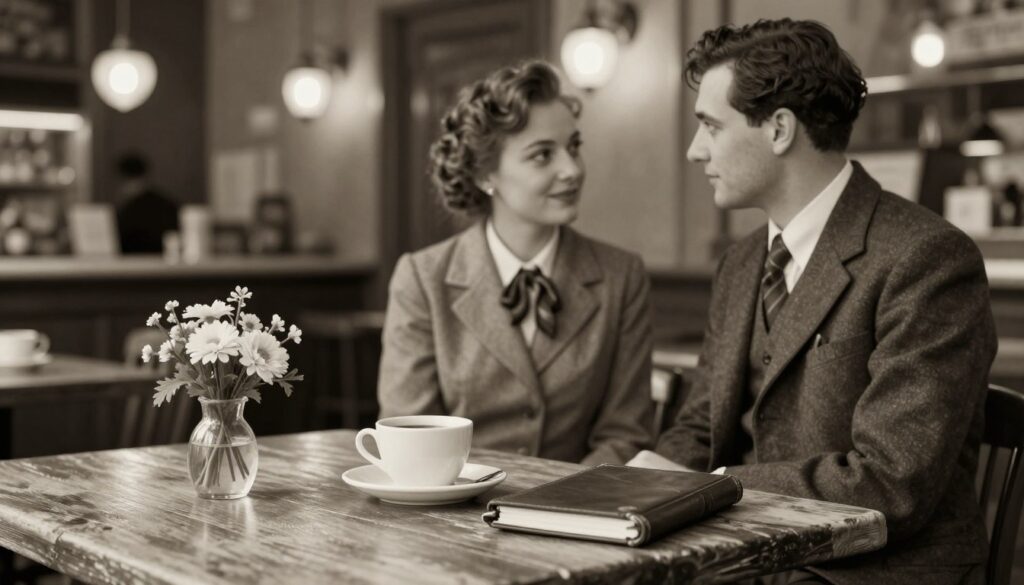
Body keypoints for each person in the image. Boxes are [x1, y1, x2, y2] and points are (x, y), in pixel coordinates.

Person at [628, 18, 996, 585]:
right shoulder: (740, 263)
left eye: (710, 126)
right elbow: (702, 426)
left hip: (865, 569)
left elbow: (892, 482)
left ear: (779, 129)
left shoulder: (928, 258)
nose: (695, 151)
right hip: (738, 557)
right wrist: (640, 489)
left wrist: (712, 488)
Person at [377, 60, 653, 465]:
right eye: (542, 155)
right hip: (453, 501)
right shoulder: (422, 279)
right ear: (485, 174)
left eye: (574, 147)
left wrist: (560, 498)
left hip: (579, 499)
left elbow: (625, 436)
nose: (571, 170)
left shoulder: (620, 276)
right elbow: (411, 436)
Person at [115, 153, 179, 254]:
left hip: (136, 260)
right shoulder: (167, 204)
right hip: (167, 259)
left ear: (123, 179)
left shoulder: (129, 211)